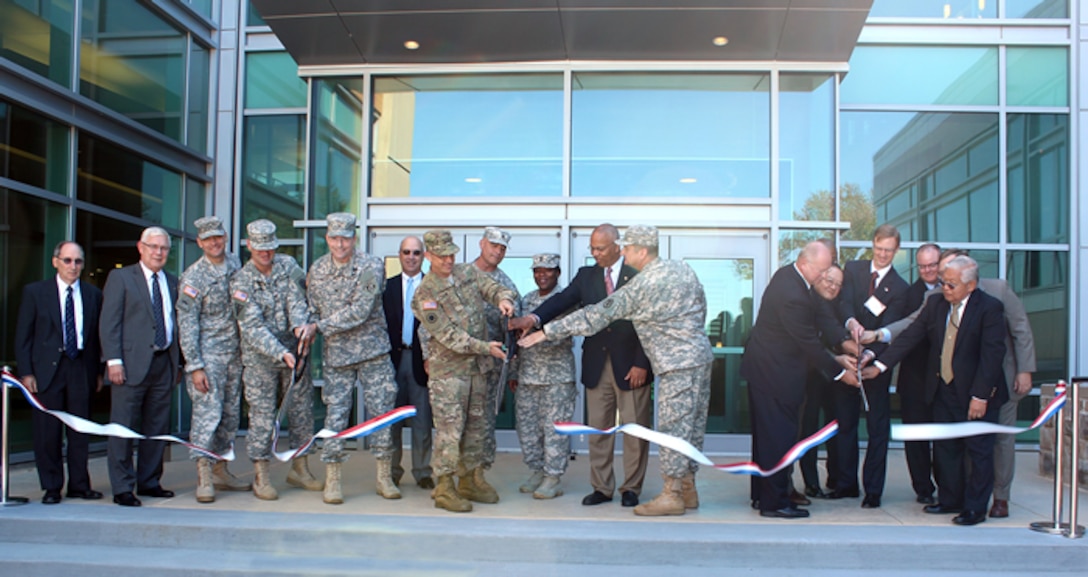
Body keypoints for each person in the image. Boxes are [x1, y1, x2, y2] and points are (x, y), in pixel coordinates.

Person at [520, 225, 711, 517]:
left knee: (673, 430)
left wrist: (546, 332)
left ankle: (672, 494)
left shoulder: (644, 283)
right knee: (691, 429)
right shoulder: (682, 270)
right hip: (699, 358)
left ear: (642, 251)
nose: (624, 251)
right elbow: (702, 306)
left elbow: (599, 314)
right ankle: (688, 488)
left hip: (675, 365)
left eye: (629, 247)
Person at [865, 248, 1035, 518]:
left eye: (951, 284)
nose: (944, 288)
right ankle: (950, 500)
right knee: (947, 449)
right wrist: (880, 365)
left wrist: (980, 396)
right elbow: (910, 336)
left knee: (978, 450)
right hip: (944, 390)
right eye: (943, 282)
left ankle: (975, 508)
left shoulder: (990, 308)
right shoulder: (935, 303)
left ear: (971, 285)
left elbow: (993, 356)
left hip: (977, 393)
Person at [509, 223, 653, 508]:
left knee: (634, 430)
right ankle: (602, 487)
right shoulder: (586, 276)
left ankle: (631, 488)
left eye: (600, 248)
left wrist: (642, 363)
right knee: (598, 430)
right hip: (597, 364)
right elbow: (561, 301)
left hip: (631, 366)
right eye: (592, 248)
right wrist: (533, 319)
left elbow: (649, 322)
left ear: (617, 246)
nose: (595, 253)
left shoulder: (638, 273)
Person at [740, 241, 860, 519]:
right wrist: (841, 372)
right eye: (821, 270)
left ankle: (763, 495)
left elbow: (821, 316)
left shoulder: (792, 276)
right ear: (806, 264)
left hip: (768, 372)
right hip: (774, 375)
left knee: (767, 439)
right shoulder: (792, 293)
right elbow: (808, 343)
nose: (824, 276)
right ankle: (774, 503)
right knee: (777, 440)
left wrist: (845, 344)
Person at [412, 229, 516, 513]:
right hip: (449, 374)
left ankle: (471, 478)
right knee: (450, 430)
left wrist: (503, 299)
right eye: (442, 255)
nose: (448, 260)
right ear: (429, 256)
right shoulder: (425, 294)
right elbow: (448, 335)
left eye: (451, 254)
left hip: (476, 371)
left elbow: (492, 287)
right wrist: (485, 348)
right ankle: (444, 485)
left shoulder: (465, 272)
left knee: (476, 427)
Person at [305, 213, 400, 504]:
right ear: (327, 239)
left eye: (345, 238)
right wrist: (304, 326)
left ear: (354, 238)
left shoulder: (371, 265)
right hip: (338, 357)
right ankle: (333, 479)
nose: (340, 244)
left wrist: (318, 327)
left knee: (381, 413)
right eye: (334, 238)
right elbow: (311, 308)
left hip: (373, 352)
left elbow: (361, 310)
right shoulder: (317, 269)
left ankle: (384, 477)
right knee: (335, 416)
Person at [231, 219, 318, 500]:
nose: (266, 254)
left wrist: (301, 330)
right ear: (249, 246)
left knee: (302, 412)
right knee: (262, 417)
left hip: (295, 351)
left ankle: (300, 468)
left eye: (270, 248)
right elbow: (252, 327)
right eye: (260, 249)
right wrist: (281, 352)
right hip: (261, 359)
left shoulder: (287, 266)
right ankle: (261, 475)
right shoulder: (240, 282)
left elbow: (296, 301)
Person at [15, 241, 104, 505]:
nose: (73, 266)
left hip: (80, 368)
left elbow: (97, 338)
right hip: (46, 371)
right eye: (67, 260)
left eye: (77, 261)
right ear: (55, 262)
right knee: (47, 432)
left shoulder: (92, 294)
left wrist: (98, 371)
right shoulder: (35, 292)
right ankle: (52, 487)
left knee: (79, 430)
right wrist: (27, 372)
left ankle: (79, 485)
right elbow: (23, 336)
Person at [100, 227, 180, 507]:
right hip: (129, 366)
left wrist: (178, 363)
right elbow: (109, 322)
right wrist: (113, 361)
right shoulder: (121, 278)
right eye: (153, 247)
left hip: (163, 364)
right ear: (140, 247)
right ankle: (123, 487)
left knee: (156, 428)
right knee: (123, 428)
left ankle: (149, 481)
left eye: (164, 248)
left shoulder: (172, 282)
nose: (159, 252)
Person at [833, 224, 909, 508]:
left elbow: (893, 329)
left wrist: (871, 357)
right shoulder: (853, 269)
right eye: (879, 249)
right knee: (845, 426)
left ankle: (873, 491)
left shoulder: (901, 288)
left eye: (889, 251)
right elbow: (843, 304)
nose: (883, 255)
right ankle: (845, 484)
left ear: (896, 250)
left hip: (874, 367)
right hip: (847, 359)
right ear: (873, 244)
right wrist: (850, 323)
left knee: (877, 431)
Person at [176, 216, 249, 503]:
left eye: (218, 237)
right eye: (208, 239)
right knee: (208, 416)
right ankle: (203, 474)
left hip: (235, 354)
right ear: (199, 243)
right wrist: (195, 366)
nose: (214, 243)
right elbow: (188, 324)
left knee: (230, 416)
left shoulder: (235, 265)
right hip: (208, 357)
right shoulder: (193, 277)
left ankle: (221, 469)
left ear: (225, 237)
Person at [512, 253, 576, 500]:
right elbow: (517, 340)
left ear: (557, 272)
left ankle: (553, 476)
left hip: (556, 377)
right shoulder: (527, 300)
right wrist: (514, 372)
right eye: (537, 270)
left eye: (547, 270)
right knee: (527, 429)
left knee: (554, 430)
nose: (542, 275)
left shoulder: (565, 300)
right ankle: (537, 470)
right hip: (528, 376)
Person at [384, 235, 434, 490]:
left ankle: (423, 471)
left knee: (422, 421)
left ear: (423, 256)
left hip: (422, 361)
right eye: (407, 252)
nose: (411, 257)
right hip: (392, 361)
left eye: (416, 252)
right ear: (399, 255)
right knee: (392, 420)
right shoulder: (387, 287)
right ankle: (391, 472)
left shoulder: (432, 287)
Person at [895, 243, 943, 505]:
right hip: (914, 377)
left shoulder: (952, 290)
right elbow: (904, 332)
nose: (927, 271)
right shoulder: (908, 293)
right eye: (922, 266)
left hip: (944, 379)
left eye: (932, 265)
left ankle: (947, 485)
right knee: (916, 439)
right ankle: (923, 488)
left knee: (944, 439)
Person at [797, 264, 849, 499]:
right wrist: (837, 359)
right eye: (829, 281)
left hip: (837, 380)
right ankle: (811, 483)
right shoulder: (806, 301)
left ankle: (835, 479)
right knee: (807, 429)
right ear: (819, 278)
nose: (832, 287)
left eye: (838, 284)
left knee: (834, 429)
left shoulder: (840, 306)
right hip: (809, 377)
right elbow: (810, 345)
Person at [471, 227, 521, 472]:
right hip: (455, 364)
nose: (498, 251)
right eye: (494, 245)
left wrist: (511, 372)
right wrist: (428, 356)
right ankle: (452, 474)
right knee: (454, 421)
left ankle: (480, 474)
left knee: (485, 423)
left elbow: (513, 335)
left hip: (489, 367)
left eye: (502, 248)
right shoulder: (458, 275)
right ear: (482, 244)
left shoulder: (507, 286)